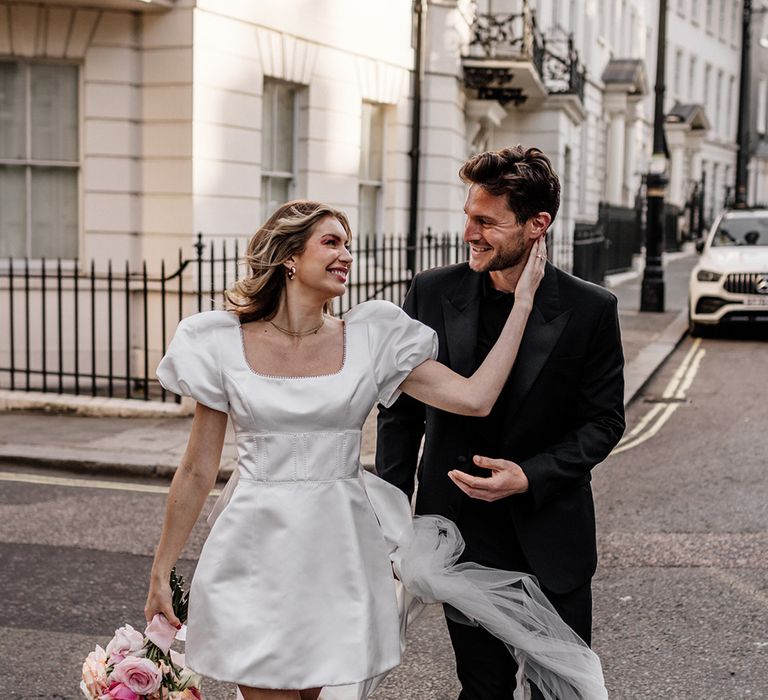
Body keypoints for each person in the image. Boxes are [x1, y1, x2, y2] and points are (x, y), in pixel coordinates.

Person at [144, 199, 554, 700]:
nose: (347, 256)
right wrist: (161, 569)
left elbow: (475, 397)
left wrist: (523, 305)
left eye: (348, 244)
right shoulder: (219, 342)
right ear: (290, 257)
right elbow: (196, 470)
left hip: (338, 547)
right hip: (254, 547)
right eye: (332, 242)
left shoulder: (371, 337)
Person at [376, 146, 626, 700]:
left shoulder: (591, 309)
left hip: (550, 530)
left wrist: (530, 475)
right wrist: (391, 522)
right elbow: (399, 415)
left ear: (538, 225)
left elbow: (604, 422)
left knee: (560, 688)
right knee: (481, 686)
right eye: (469, 216)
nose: (470, 232)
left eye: (487, 222)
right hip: (460, 537)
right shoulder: (432, 292)